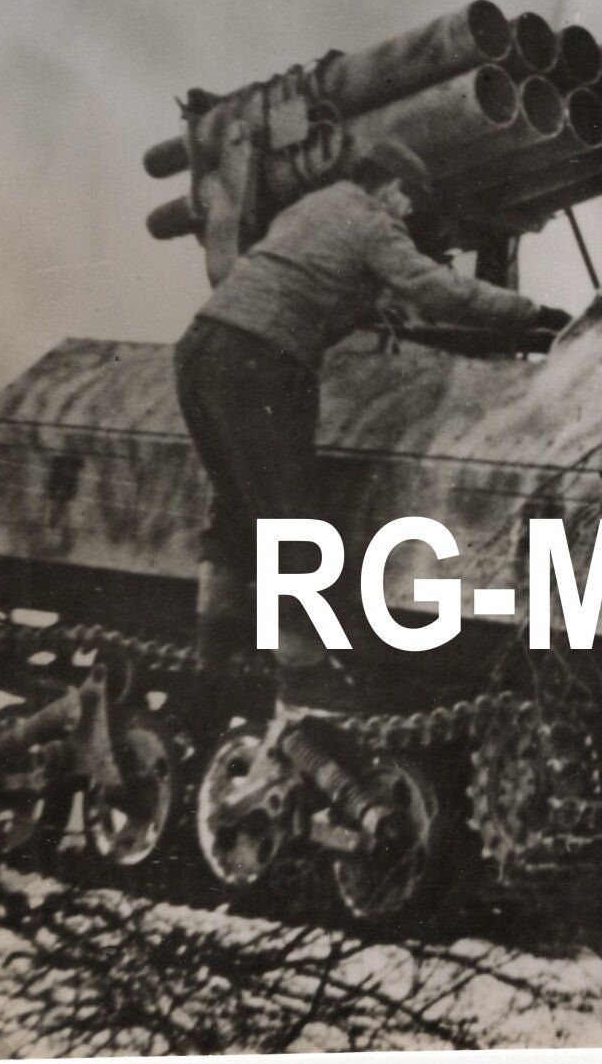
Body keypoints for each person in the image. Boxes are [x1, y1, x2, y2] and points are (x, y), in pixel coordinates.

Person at [176, 133, 567, 714]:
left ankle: (212, 663)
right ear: (386, 187)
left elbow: (307, 274)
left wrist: (363, 304)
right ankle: (302, 672)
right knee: (294, 520)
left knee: (236, 511)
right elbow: (434, 289)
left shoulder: (310, 206)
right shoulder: (370, 222)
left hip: (202, 351)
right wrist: (530, 312)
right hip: (262, 359)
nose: (409, 213)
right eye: (408, 200)